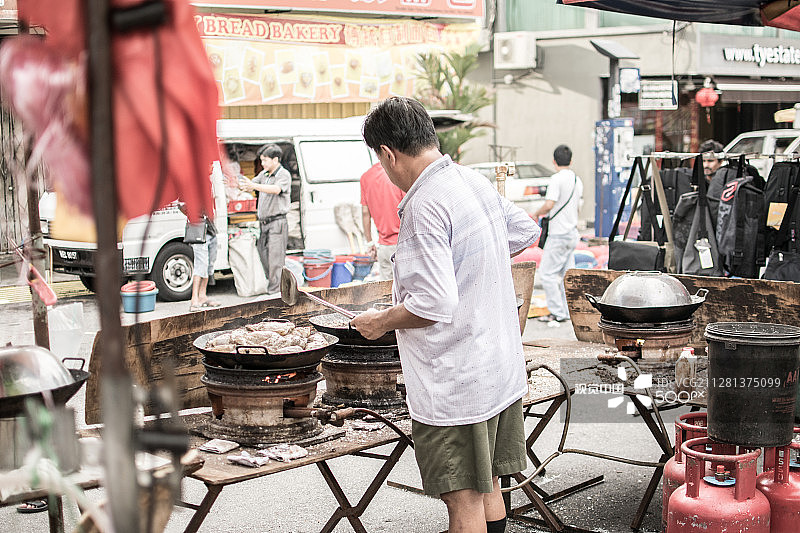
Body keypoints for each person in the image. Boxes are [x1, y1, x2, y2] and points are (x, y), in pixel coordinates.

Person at [351, 96, 539, 533]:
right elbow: (527, 229)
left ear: (387, 154)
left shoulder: (423, 204)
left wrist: (379, 322)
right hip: (498, 370)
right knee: (488, 484)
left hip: (456, 385)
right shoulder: (471, 181)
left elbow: (433, 305)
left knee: (463, 504)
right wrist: (475, 263)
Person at [533, 144, 583, 324]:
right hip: (572, 233)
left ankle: (557, 312)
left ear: (554, 161)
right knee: (566, 276)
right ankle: (568, 312)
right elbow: (578, 207)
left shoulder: (556, 179)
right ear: (570, 160)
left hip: (558, 234)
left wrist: (537, 213)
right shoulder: (577, 180)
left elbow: (549, 204)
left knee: (546, 273)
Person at [241, 143, 291, 294]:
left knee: (276, 261)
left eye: (265, 160)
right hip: (264, 224)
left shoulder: (283, 175)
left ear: (275, 160)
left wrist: (254, 186)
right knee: (265, 257)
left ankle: (275, 294)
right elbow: (249, 185)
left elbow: (276, 190)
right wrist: (235, 181)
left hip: (277, 222)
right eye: (261, 160)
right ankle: (274, 290)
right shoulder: (264, 175)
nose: (262, 164)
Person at [360, 161, 405, 280]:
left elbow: (365, 213)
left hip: (383, 247)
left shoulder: (365, 177)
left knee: (387, 293)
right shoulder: (397, 173)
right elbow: (408, 206)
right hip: (402, 244)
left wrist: (369, 242)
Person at [179, 203, 220, 312]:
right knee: (200, 265)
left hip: (211, 230)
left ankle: (202, 296)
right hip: (198, 230)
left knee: (208, 265)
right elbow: (181, 204)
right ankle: (194, 299)